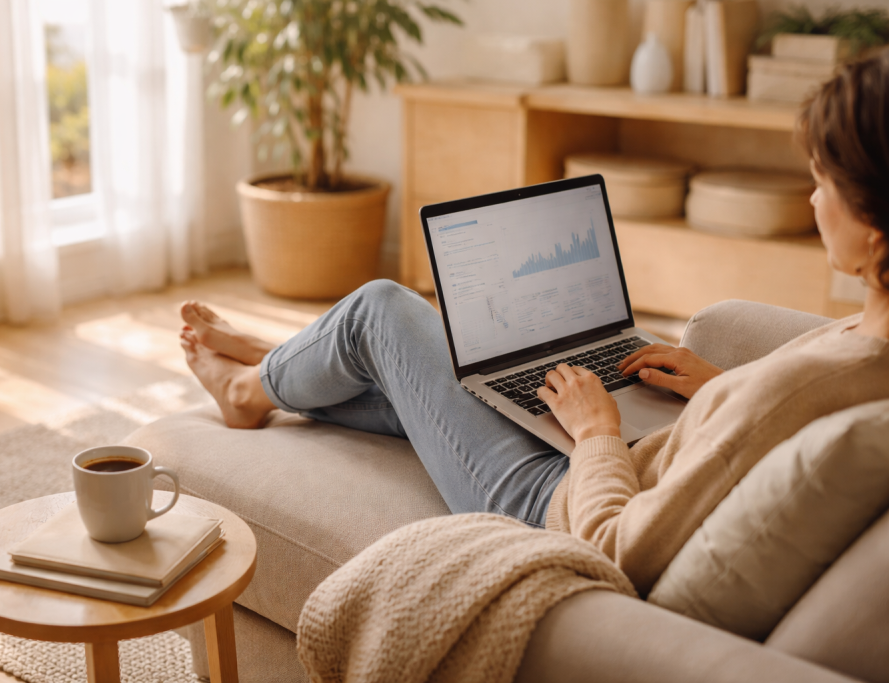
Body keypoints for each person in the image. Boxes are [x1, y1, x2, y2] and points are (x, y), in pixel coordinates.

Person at [178, 49, 889, 595]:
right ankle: (288, 355)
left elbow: (614, 546)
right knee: (454, 373)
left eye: (823, 182)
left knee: (381, 309)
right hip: (628, 445)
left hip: (558, 495)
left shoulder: (823, 384)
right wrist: (716, 385)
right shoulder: (868, 349)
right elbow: (762, 422)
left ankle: (248, 393)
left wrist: (597, 431)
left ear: (876, 228)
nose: (810, 199)